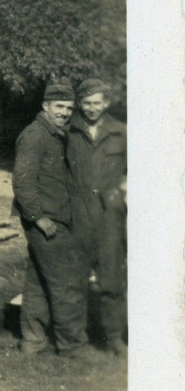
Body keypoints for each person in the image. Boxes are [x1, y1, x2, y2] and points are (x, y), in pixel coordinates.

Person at [12, 79, 90, 357]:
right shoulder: (35, 136)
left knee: (37, 282)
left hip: (53, 219)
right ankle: (72, 345)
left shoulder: (57, 134)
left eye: (69, 108)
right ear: (45, 106)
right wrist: (39, 218)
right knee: (66, 282)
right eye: (59, 106)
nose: (65, 112)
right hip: (47, 222)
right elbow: (22, 182)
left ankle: (33, 341)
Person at [67, 78, 127, 356]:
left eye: (97, 102)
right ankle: (76, 338)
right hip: (77, 213)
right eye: (87, 103)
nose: (92, 108)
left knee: (112, 277)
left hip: (109, 216)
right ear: (80, 104)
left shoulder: (122, 132)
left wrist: (123, 190)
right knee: (75, 278)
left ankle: (114, 337)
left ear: (106, 103)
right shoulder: (69, 131)